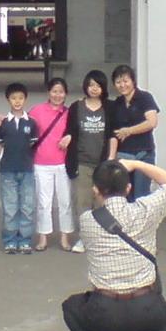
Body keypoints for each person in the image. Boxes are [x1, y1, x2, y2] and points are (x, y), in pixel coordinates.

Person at [61, 158, 166, 331]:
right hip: (146, 311)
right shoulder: (146, 211)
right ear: (128, 188)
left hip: (102, 313)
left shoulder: (88, 221)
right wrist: (137, 164)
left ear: (96, 190)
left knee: (70, 307)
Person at [64, 70, 114, 252]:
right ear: (86, 85)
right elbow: (70, 130)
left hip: (102, 163)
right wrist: (67, 138)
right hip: (82, 161)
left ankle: (101, 239)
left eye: (98, 85)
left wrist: (110, 159)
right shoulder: (76, 107)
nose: (94, 89)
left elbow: (112, 135)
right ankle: (84, 239)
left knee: (101, 202)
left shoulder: (109, 107)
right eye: (91, 85)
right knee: (83, 202)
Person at [30, 77, 74, 251]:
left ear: (65, 94)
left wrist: (70, 137)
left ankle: (65, 237)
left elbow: (76, 132)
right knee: (43, 202)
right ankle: (43, 237)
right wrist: (3, 120)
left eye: (61, 92)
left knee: (65, 201)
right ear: (49, 92)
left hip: (63, 163)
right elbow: (24, 126)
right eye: (54, 91)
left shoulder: (70, 113)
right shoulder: (37, 111)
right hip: (41, 163)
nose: (57, 95)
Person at [0, 82, 38, 253]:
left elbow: (33, 144)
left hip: (26, 169)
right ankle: (10, 240)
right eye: (13, 98)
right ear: (8, 100)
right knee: (10, 207)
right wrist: (2, 157)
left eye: (20, 98)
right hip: (7, 170)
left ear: (25, 99)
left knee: (27, 206)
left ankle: (25, 240)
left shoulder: (31, 123)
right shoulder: (2, 122)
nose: (17, 101)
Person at [107, 65, 160, 198]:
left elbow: (152, 122)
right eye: (118, 82)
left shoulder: (145, 97)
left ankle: (143, 220)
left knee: (141, 196)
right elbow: (113, 132)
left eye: (125, 81)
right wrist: (111, 158)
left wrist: (129, 131)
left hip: (144, 154)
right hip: (123, 156)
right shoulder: (117, 103)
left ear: (133, 81)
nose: (122, 85)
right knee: (125, 195)